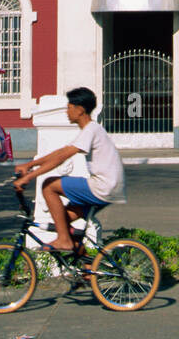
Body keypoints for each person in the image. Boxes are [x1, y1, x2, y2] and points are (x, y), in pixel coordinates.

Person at [14, 88, 125, 252]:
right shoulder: (90, 130)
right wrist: (29, 165)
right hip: (111, 187)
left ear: (80, 110)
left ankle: (64, 241)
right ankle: (88, 270)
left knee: (48, 186)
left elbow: (62, 156)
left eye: (69, 107)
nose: (67, 111)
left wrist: (29, 176)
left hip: (103, 186)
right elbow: (60, 152)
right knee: (63, 221)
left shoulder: (90, 130)